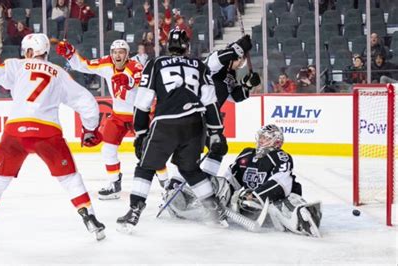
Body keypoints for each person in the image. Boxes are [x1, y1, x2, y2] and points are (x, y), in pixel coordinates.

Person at [0, 33, 106, 241]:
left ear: (29, 52)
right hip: (48, 132)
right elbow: (87, 102)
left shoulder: (16, 66)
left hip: (15, 131)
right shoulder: (59, 73)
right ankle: (89, 219)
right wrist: (90, 128)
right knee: (69, 177)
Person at [116, 28, 228, 233]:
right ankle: (215, 210)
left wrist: (141, 134)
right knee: (190, 169)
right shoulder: (200, 65)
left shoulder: (156, 63)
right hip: (195, 124)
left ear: (169, 45)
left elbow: (143, 102)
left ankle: (134, 211)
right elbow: (210, 103)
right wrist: (216, 132)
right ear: (187, 46)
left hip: (166, 123)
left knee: (146, 167)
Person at [163, 124, 322, 237]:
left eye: (266, 139)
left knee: (286, 202)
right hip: (247, 202)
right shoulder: (247, 154)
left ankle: (301, 217)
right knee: (219, 184)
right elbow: (230, 178)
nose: (261, 141)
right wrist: (218, 193)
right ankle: (188, 201)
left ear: (277, 142)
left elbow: (282, 182)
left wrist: (256, 194)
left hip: (273, 200)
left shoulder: (280, 157)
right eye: (261, 137)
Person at [56, 39, 168, 200]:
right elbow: (84, 65)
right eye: (115, 52)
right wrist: (70, 54)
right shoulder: (106, 63)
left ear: (127, 54)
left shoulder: (135, 66)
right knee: (107, 149)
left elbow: (138, 79)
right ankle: (114, 184)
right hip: (117, 115)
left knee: (150, 150)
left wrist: (127, 82)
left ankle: (166, 184)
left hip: (139, 115)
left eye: (121, 52)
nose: (117, 55)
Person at [166, 35, 260, 187]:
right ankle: (175, 186)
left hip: (209, 119)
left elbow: (235, 97)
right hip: (193, 114)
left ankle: (207, 183)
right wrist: (240, 46)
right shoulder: (214, 63)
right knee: (190, 153)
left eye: (242, 60)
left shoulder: (230, 75)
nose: (241, 62)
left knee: (219, 148)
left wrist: (247, 85)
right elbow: (223, 56)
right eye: (239, 59)